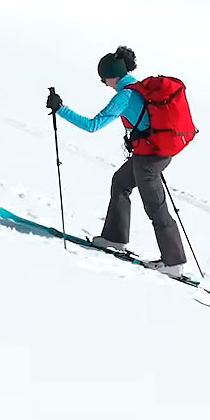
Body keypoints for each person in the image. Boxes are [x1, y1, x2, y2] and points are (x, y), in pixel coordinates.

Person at [46, 46, 190, 279]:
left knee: (155, 207)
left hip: (149, 159)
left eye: (104, 78)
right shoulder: (139, 86)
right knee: (121, 182)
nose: (104, 83)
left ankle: (173, 262)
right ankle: (114, 238)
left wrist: (60, 109)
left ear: (113, 75)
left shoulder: (124, 96)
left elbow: (92, 125)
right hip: (154, 152)